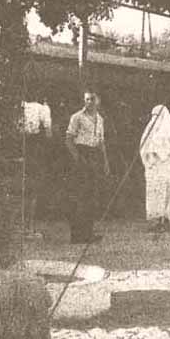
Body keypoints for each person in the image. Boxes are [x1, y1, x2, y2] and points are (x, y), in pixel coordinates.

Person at [65, 89, 106, 244]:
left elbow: (101, 142)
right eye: (87, 99)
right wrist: (78, 158)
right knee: (79, 196)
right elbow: (68, 139)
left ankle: (88, 233)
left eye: (92, 99)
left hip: (94, 155)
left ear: (98, 101)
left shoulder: (100, 119)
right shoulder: (77, 117)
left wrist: (105, 161)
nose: (89, 102)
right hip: (82, 153)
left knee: (91, 196)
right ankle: (76, 235)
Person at [139, 104, 170, 232]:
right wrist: (149, 157)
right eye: (153, 116)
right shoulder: (150, 130)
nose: (154, 118)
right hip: (153, 166)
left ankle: (164, 220)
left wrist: (161, 154)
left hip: (165, 165)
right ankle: (154, 220)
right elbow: (143, 146)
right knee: (153, 192)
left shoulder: (169, 131)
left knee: (166, 191)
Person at [22, 93, 52, 236]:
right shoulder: (42, 108)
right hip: (34, 148)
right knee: (33, 189)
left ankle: (23, 227)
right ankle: (29, 227)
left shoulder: (20, 106)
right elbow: (48, 132)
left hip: (18, 147)